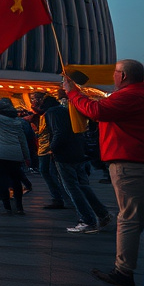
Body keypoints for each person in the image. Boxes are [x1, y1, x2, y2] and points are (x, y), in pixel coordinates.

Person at [64, 59, 144, 286]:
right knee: (135, 218)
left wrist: (73, 93)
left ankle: (123, 272)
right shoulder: (136, 94)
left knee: (129, 219)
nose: (113, 77)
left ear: (124, 76)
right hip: (135, 161)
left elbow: (97, 111)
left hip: (129, 162)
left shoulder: (131, 95)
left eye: (116, 73)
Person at [44, 93, 111, 234]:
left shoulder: (52, 112)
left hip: (64, 154)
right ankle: (102, 213)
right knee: (83, 186)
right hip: (78, 151)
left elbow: (59, 132)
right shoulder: (68, 110)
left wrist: (52, 149)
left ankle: (87, 220)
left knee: (71, 187)